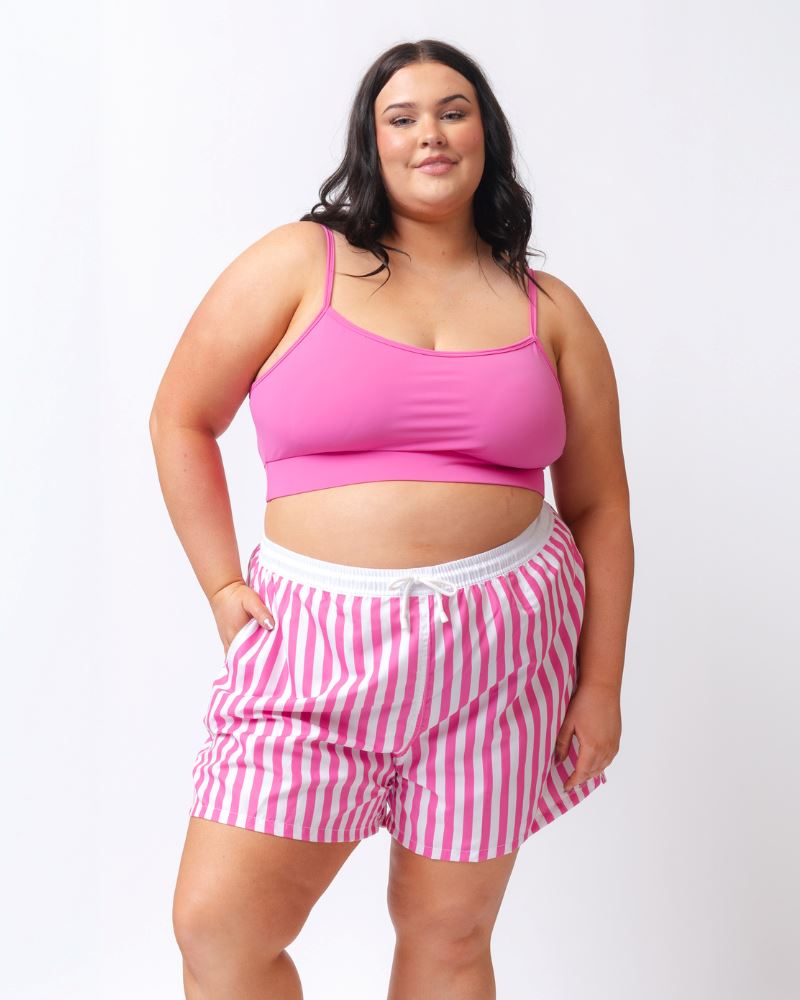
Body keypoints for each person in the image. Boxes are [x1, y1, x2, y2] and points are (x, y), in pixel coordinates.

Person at [150, 37, 633, 1000]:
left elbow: (598, 504)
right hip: (314, 640)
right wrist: (220, 585)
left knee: (449, 938)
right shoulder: (300, 261)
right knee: (217, 929)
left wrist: (601, 683)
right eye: (401, 117)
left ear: (485, 134)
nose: (429, 134)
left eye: (452, 111)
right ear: (371, 143)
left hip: (505, 651)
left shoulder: (553, 311)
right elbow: (180, 416)